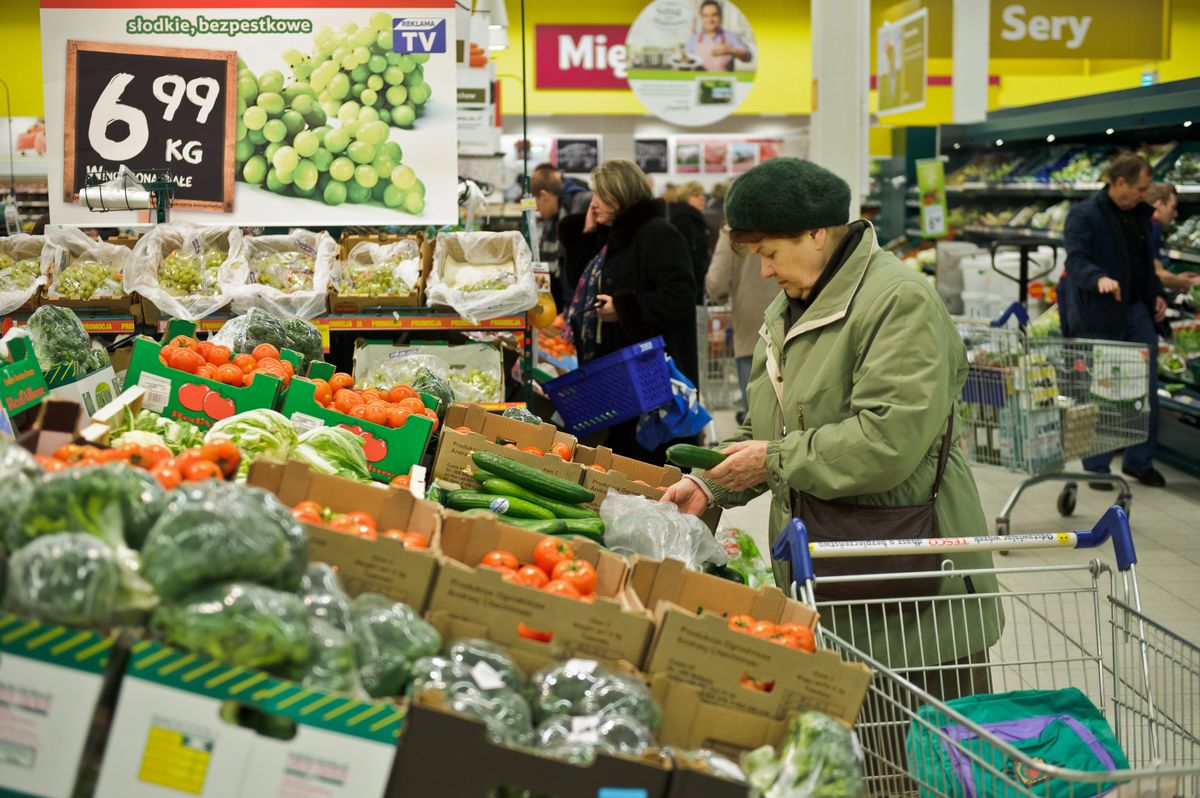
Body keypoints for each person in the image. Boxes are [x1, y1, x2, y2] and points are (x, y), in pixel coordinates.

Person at [661, 158, 1001, 696]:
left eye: (770, 253)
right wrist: (710, 482)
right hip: (830, 579)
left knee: (920, 767)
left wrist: (771, 460)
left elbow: (887, 441)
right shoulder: (792, 306)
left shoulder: (898, 303)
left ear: (818, 234)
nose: (765, 271)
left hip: (910, 588)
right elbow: (764, 426)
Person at [559, 159, 699, 461]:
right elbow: (580, 284)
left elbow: (681, 295)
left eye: (601, 196)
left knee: (650, 465)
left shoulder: (658, 233)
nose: (593, 204)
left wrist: (624, 308)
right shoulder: (609, 235)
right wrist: (583, 236)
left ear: (621, 197)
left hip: (649, 380)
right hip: (618, 378)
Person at [1062, 154, 1168, 488]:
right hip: (1099, 314)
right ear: (1119, 182)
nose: (1143, 195)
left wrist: (1157, 294)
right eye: (1140, 189)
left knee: (1144, 388)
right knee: (1102, 391)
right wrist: (1099, 278)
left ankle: (1139, 461)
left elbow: (1145, 265)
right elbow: (1076, 261)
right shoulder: (1084, 216)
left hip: (1136, 311)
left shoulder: (1141, 216)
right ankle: (1095, 467)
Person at [705, 228, 778, 419]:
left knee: (757, 413)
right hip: (793, 317)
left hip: (751, 327)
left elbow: (716, 283)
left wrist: (718, 297)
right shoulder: (790, 217)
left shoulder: (732, 229)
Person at [531, 163, 593, 306]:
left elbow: (574, 262)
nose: (538, 210)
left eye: (537, 204)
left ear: (543, 195)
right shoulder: (559, 212)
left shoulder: (575, 207)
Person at [1147, 182, 1200, 292]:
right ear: (1160, 206)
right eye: (1173, 208)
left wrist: (1177, 279)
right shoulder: (1153, 225)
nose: (1176, 214)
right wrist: (1191, 282)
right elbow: (1158, 274)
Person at [670, 182, 711, 303]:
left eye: (702, 194)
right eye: (696, 195)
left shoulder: (693, 218)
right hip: (689, 282)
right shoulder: (683, 219)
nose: (702, 197)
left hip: (693, 281)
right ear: (685, 198)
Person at [685, 0, 753, 73]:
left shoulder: (730, 37)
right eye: (706, 16)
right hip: (699, 81)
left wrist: (730, 50)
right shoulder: (693, 39)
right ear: (701, 18)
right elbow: (685, 62)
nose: (710, 19)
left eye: (714, 15)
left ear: (720, 16)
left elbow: (748, 57)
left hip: (725, 82)